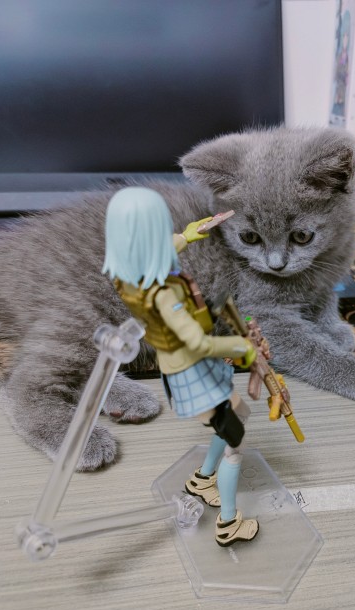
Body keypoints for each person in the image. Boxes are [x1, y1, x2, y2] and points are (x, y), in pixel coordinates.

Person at [103, 186, 259, 547]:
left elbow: (154, 255)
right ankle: (228, 523)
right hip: (191, 370)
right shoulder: (164, 294)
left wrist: (187, 235)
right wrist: (241, 346)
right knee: (236, 444)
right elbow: (198, 343)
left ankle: (203, 479)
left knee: (239, 413)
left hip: (182, 366)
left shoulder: (128, 275)